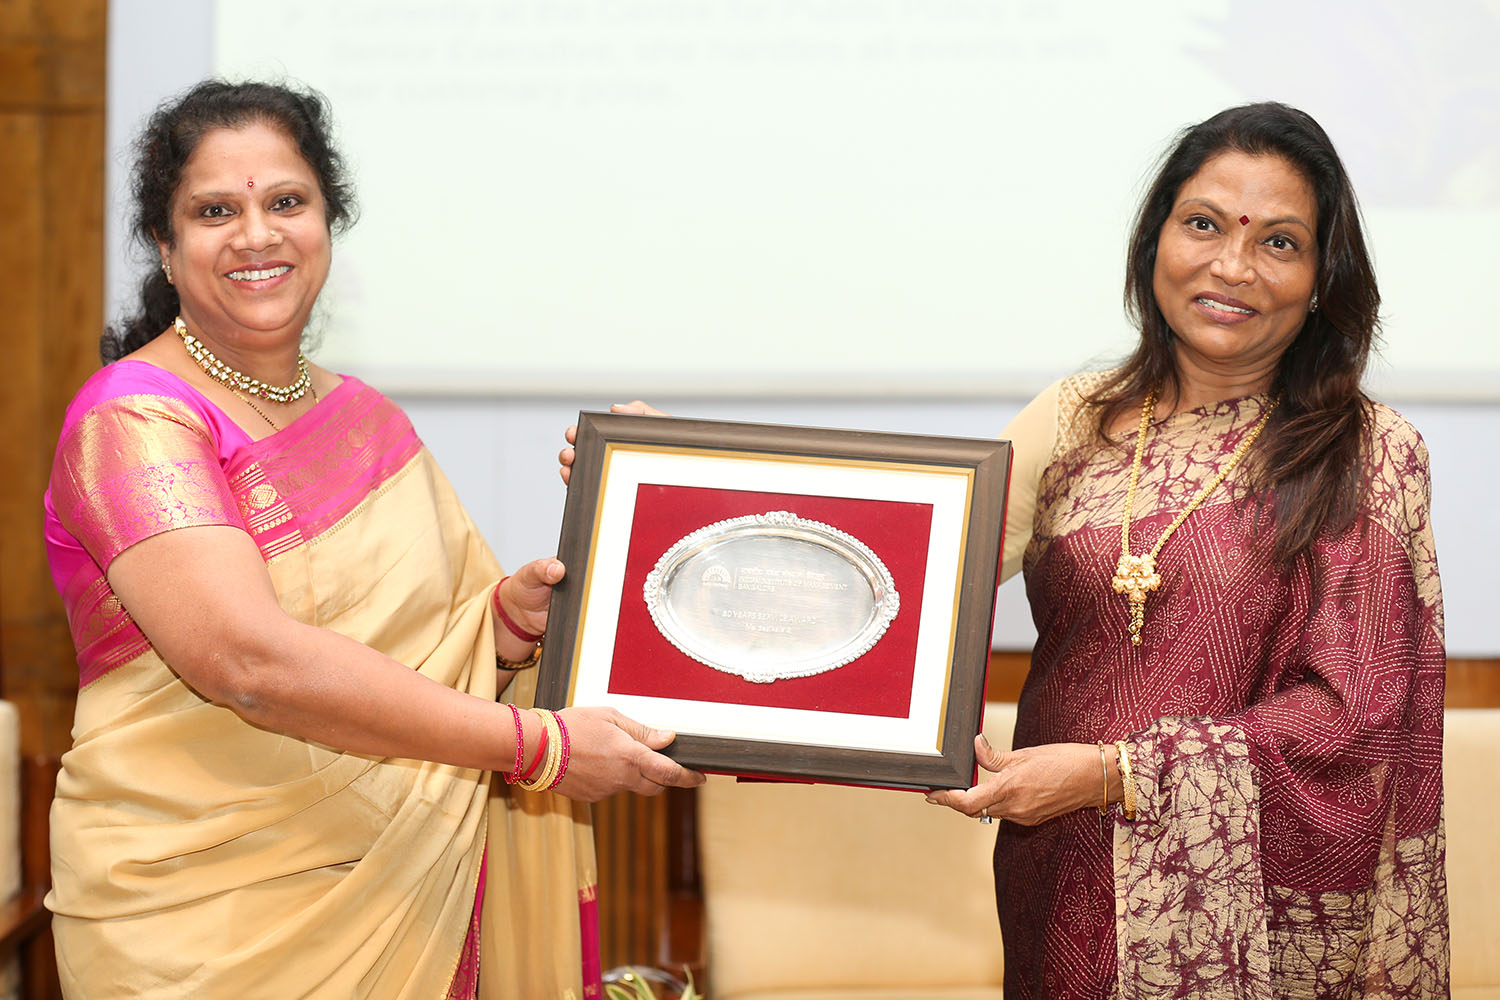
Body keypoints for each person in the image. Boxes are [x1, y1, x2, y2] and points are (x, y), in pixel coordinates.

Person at [561, 103, 1448, 998]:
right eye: (1204, 224)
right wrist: (674, 488)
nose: (1232, 266)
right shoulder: (1077, 417)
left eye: (1280, 242)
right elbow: (893, 572)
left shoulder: (1368, 453)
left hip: (1262, 921)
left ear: (1323, 275)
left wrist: (1114, 775)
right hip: (1063, 879)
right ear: (1155, 241)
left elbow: (1354, 715)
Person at [42, 79, 703, 1000]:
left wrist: (507, 626)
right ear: (165, 241)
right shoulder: (136, 422)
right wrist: (539, 748)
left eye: (286, 201)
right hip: (204, 919)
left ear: (326, 221)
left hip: (403, 883)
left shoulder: (363, 420)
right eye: (214, 210)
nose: (257, 234)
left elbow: (430, 635)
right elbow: (247, 664)